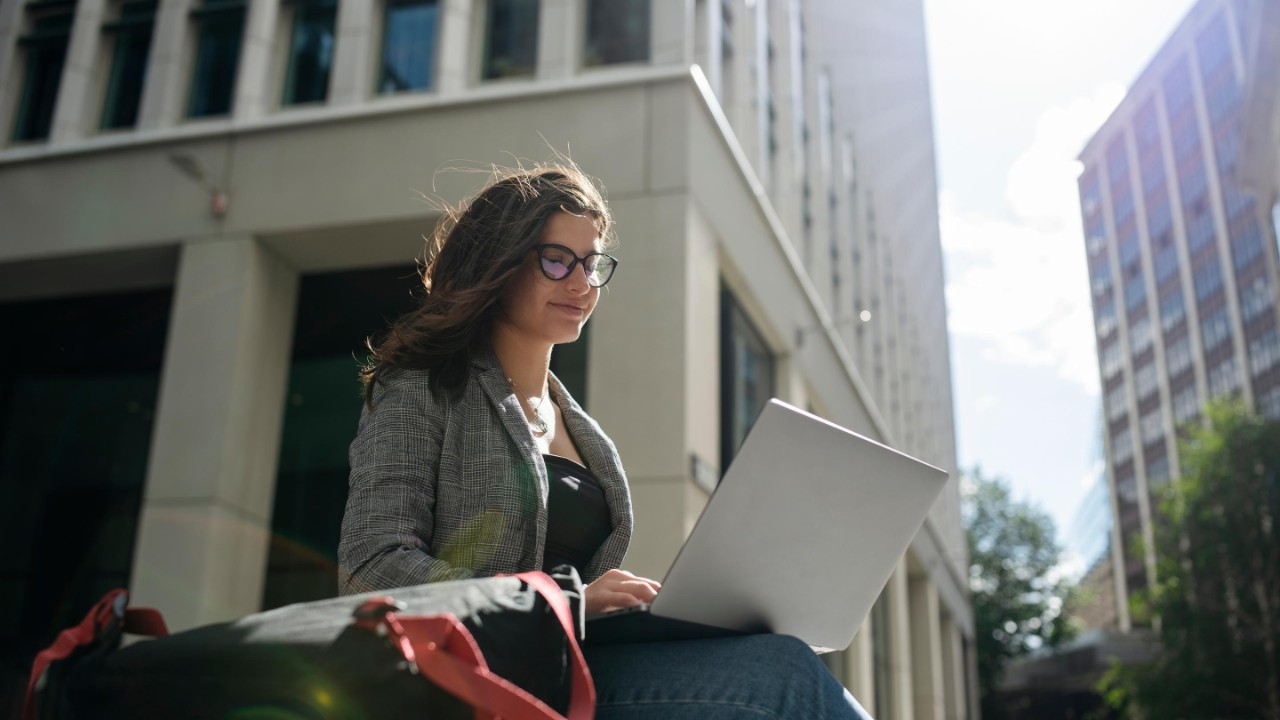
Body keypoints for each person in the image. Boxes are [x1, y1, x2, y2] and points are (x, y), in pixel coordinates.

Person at [338, 164, 874, 719]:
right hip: (475, 680)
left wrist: (638, 609)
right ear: (498, 264)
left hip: (578, 670)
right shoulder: (424, 387)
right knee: (780, 679)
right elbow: (370, 564)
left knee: (777, 657)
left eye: (592, 265)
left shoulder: (591, 441)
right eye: (556, 260)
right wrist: (563, 602)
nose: (581, 283)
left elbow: (583, 601)